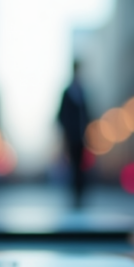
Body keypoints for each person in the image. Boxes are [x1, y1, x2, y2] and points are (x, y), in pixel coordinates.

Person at [57, 61, 90, 208]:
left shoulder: (82, 91)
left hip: (82, 137)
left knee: (81, 167)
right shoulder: (68, 92)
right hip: (71, 137)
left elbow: (88, 114)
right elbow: (60, 116)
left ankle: (81, 196)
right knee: (74, 167)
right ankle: (74, 197)